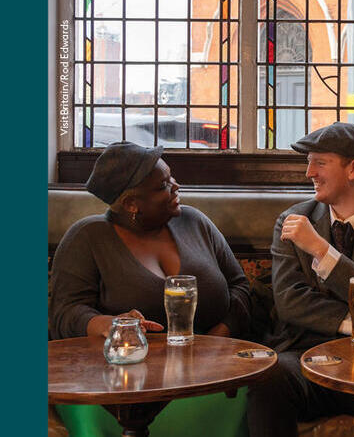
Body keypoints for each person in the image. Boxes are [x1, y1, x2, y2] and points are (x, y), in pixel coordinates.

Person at [49, 141, 253, 437]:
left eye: (171, 177)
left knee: (254, 398)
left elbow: (240, 287)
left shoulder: (195, 222)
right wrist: (112, 325)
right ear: (131, 204)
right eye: (163, 185)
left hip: (215, 372)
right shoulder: (86, 237)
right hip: (119, 383)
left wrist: (217, 339)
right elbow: (65, 313)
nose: (176, 186)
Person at [247, 122, 354, 437]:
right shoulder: (291, 221)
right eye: (308, 162)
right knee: (270, 377)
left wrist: (320, 248)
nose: (309, 172)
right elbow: (290, 303)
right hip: (306, 358)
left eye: (320, 163)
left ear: (353, 169)